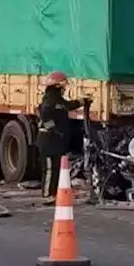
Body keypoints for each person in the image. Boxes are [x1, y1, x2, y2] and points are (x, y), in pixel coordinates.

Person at [35, 71, 85, 203]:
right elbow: (45, 115)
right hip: (48, 141)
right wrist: (54, 131)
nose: (64, 89)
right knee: (50, 169)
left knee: (57, 168)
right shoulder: (49, 100)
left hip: (55, 141)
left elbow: (68, 105)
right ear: (57, 87)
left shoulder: (58, 100)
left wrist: (82, 101)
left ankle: (54, 192)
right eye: (62, 87)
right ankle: (47, 195)